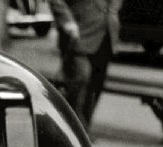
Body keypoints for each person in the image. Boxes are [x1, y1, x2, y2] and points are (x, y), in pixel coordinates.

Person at [50, 0, 123, 130]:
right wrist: (66, 20)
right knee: (81, 78)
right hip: (78, 34)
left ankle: (83, 129)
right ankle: (74, 129)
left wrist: (114, 8)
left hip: (106, 35)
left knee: (96, 85)